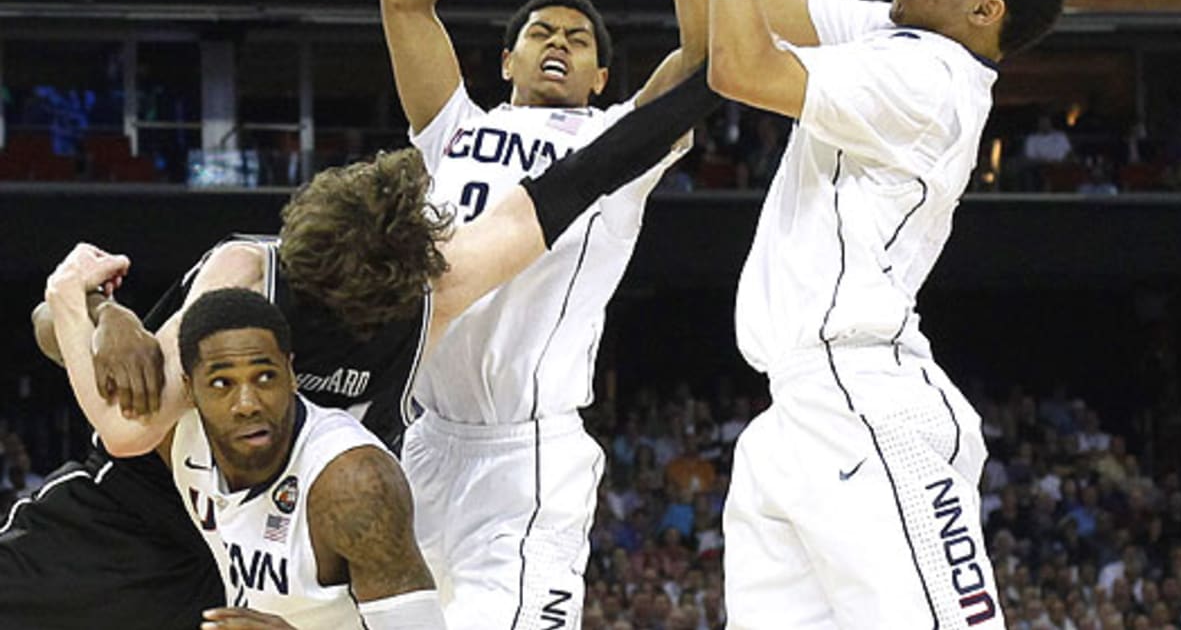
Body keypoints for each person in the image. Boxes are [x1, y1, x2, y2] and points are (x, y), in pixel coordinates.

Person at [4, 67, 718, 630]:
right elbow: (129, 424)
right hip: (152, 513)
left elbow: (584, 176)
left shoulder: (430, 287)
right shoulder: (246, 275)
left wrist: (717, 80)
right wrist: (93, 310)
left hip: (289, 555)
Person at [645, 0, 1065, 625]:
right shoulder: (891, 35)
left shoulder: (929, 82)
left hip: (873, 406)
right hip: (795, 412)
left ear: (985, 10)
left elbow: (741, 66)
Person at [376, 0, 706, 628]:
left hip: (529, 456)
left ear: (601, 77)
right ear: (507, 61)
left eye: (580, 40)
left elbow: (713, 57)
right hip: (423, 441)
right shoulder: (453, 126)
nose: (559, 42)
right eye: (541, 34)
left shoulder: (620, 138)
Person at [42, 279, 437, 630]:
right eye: (221, 383)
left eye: (264, 376)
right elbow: (48, 324)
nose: (247, 403)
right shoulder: (180, 432)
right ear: (188, 390)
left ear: (291, 372)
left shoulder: (353, 482)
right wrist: (109, 314)